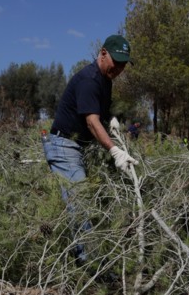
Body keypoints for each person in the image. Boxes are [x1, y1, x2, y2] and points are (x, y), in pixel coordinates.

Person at [43, 34, 137, 265]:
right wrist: (115, 151)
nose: (120, 68)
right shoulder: (89, 79)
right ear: (103, 53)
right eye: (117, 61)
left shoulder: (105, 81)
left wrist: (112, 120)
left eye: (124, 64)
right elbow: (91, 122)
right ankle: (89, 265)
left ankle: (85, 255)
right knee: (82, 203)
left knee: (94, 199)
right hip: (64, 145)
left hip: (78, 147)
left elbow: (100, 115)